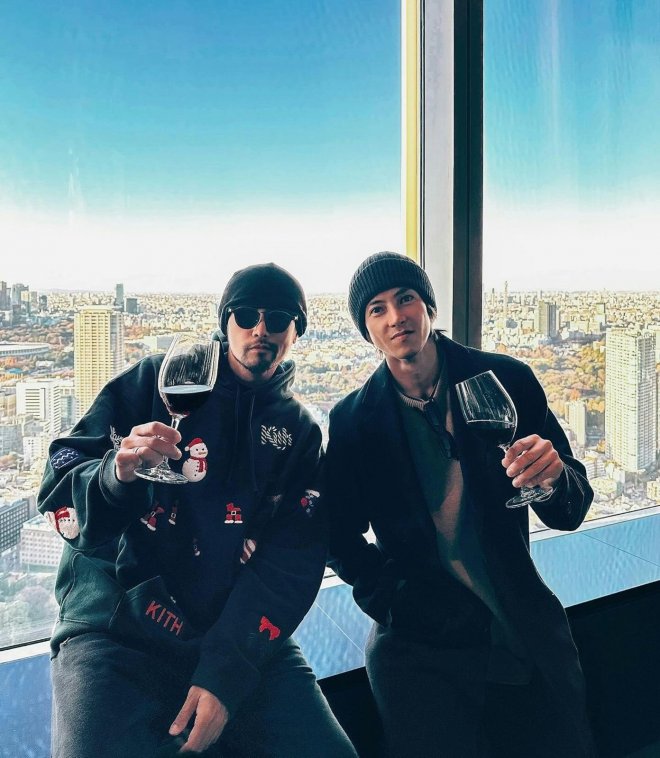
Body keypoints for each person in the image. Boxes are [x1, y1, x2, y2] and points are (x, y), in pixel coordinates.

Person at [38, 263, 358, 758]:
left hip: (235, 628)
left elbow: (293, 557)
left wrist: (227, 673)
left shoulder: (298, 432)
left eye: (278, 318)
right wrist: (115, 477)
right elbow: (60, 480)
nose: (260, 328)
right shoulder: (152, 381)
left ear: (297, 331)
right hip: (116, 626)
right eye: (245, 314)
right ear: (224, 321)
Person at [325, 251, 596, 758]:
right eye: (377, 309)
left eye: (406, 298)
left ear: (428, 306)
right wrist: (393, 601)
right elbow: (337, 533)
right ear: (367, 331)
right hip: (420, 646)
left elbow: (570, 509)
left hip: (520, 622)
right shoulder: (354, 422)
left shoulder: (506, 379)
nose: (396, 316)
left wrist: (555, 477)